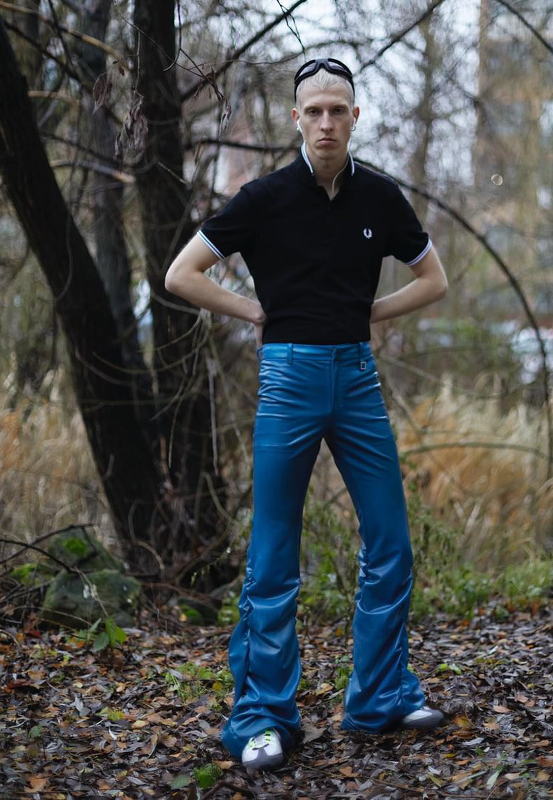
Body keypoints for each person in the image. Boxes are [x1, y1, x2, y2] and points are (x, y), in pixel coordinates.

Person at [165, 57, 448, 771]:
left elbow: (434, 280)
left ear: (355, 117)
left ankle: (379, 697)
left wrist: (368, 312)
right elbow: (181, 274)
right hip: (288, 377)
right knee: (272, 555)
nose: (326, 122)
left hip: (356, 376)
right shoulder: (263, 198)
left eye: (338, 110)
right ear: (296, 118)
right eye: (314, 111)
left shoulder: (380, 197)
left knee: (391, 541)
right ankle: (262, 718)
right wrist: (252, 310)